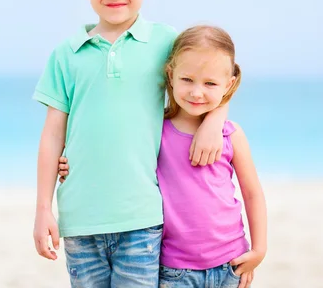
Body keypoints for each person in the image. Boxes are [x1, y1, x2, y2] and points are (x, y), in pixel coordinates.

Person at [32, 0, 229, 287]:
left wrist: (215, 120)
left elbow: (214, 80)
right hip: (79, 218)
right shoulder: (66, 54)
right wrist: (44, 207)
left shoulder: (166, 41)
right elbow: (52, 134)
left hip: (143, 217)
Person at [59, 25, 267, 288]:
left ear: (229, 84)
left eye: (210, 83)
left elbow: (252, 193)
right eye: (187, 80)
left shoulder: (231, 135)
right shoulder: (156, 129)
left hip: (231, 263)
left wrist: (259, 249)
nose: (197, 92)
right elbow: (117, 153)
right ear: (170, 75)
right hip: (174, 269)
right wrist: (72, 160)